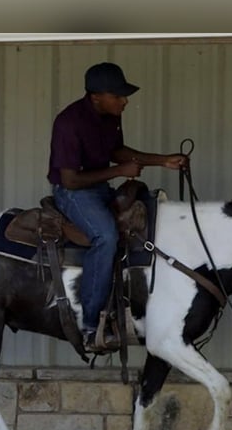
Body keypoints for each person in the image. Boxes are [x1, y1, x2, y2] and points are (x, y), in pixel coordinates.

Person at [47, 62, 187, 350]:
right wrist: (119, 172)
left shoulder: (109, 116)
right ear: (96, 96)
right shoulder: (68, 122)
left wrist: (163, 160)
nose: (125, 101)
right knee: (106, 236)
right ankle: (89, 326)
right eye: (118, 96)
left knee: (147, 218)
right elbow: (70, 180)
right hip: (73, 193)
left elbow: (116, 151)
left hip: (98, 189)